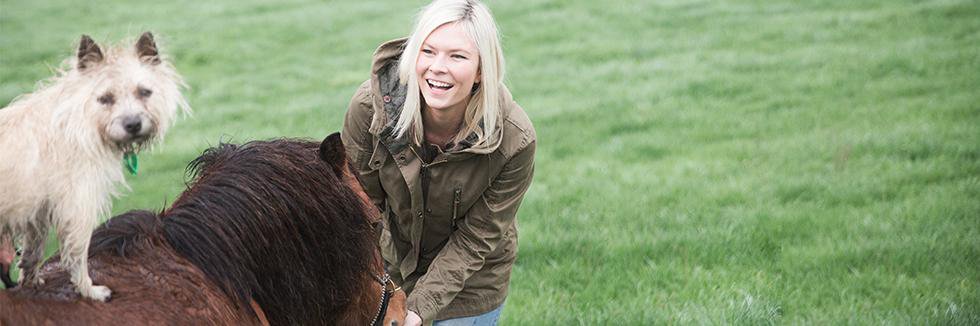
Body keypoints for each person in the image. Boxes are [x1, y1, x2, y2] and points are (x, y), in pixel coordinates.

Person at [340, 0, 535, 325]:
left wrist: (417, 311)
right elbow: (357, 208)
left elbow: (477, 239)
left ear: (481, 70)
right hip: (390, 268)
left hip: (471, 285)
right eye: (427, 51)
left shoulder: (515, 139)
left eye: (457, 56)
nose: (437, 67)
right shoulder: (369, 109)